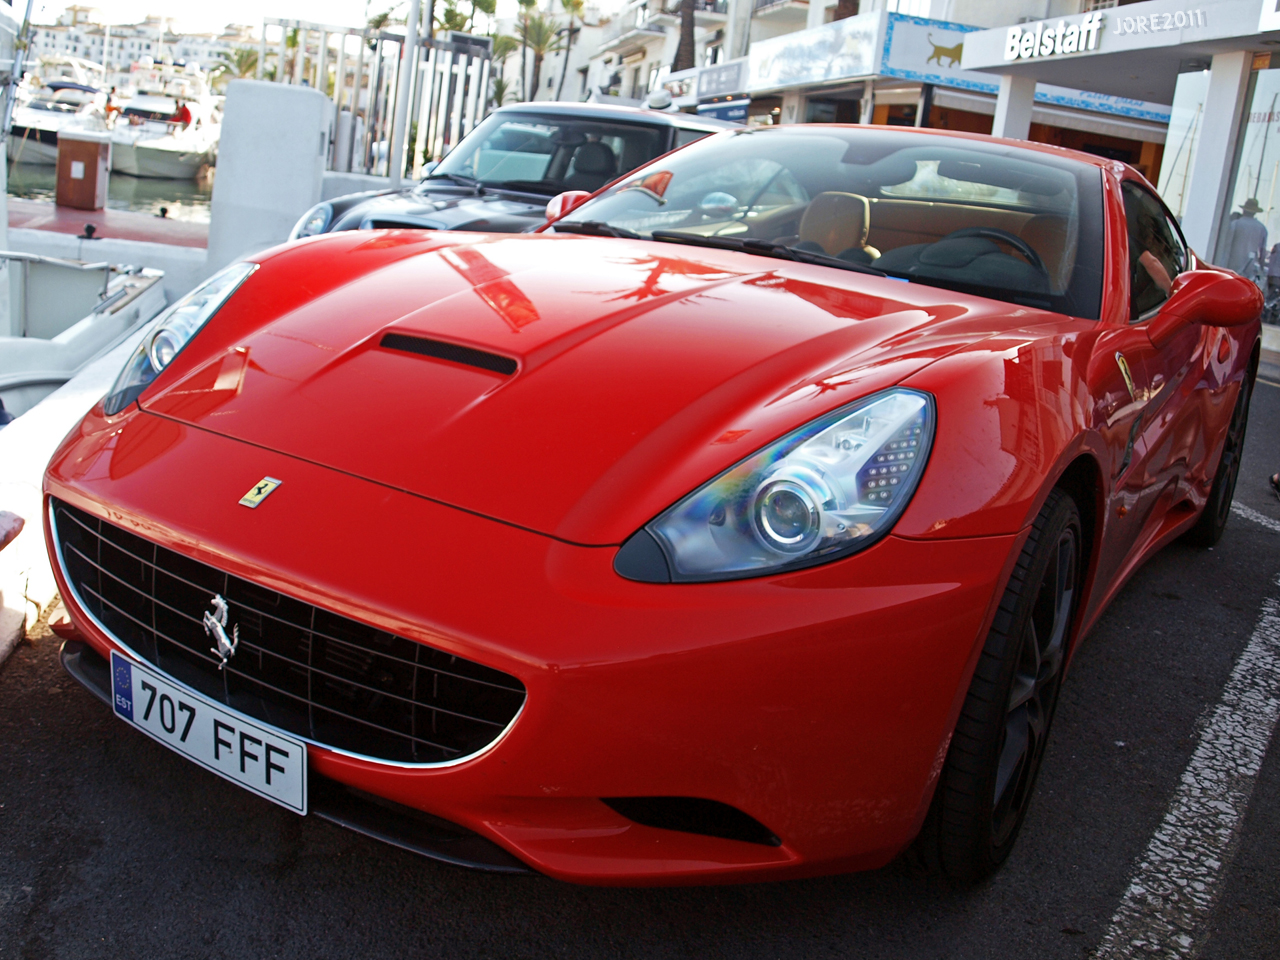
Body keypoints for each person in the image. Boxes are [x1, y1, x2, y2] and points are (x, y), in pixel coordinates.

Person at [1224, 197, 1268, 277]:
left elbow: (1227, 245)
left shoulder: (1235, 224)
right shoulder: (1261, 228)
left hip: (1233, 262)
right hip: (1250, 264)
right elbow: (1262, 251)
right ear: (1255, 212)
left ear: (1244, 210)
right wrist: (1261, 267)